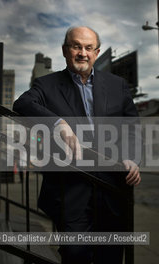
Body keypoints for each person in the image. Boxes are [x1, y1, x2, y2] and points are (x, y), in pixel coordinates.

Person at [13, 26, 141, 264]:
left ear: (96, 52)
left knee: (111, 257)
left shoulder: (117, 85)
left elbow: (132, 126)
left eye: (88, 47)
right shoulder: (46, 84)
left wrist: (131, 157)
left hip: (112, 189)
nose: (82, 53)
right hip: (69, 191)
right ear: (65, 50)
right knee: (75, 254)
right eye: (76, 46)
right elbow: (21, 104)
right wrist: (58, 123)